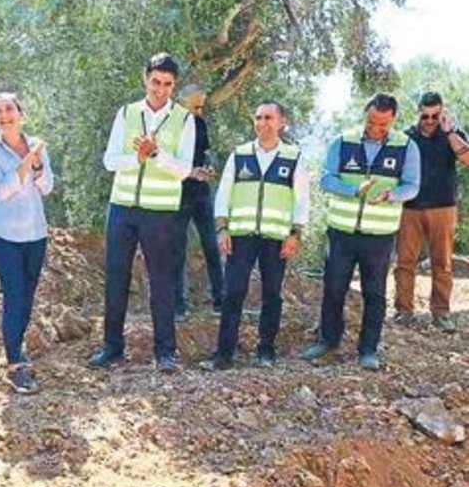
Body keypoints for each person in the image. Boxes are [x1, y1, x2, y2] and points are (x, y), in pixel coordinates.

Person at [88, 52, 196, 373]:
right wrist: (137, 158)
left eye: (167, 84)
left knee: (161, 280)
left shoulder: (184, 119)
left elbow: (184, 169)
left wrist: (157, 154)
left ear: (174, 86)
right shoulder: (126, 113)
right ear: (145, 79)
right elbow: (110, 161)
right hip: (122, 208)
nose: (160, 89)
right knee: (116, 277)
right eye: (155, 82)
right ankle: (112, 348)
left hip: (160, 212)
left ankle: (165, 352)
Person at [300, 93, 420, 370]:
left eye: (383, 124)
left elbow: (412, 186)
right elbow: (326, 179)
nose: (375, 129)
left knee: (374, 293)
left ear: (393, 119)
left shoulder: (406, 147)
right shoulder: (343, 141)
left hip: (379, 235)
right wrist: (353, 190)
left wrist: (391, 195)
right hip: (341, 231)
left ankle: (368, 350)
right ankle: (328, 340)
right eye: (371, 122)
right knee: (333, 288)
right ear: (364, 114)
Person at [200, 102, 309, 370]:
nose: (262, 123)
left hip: (275, 237)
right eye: (258, 117)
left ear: (281, 122)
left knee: (272, 294)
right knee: (233, 292)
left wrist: (294, 234)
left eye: (268, 118)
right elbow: (223, 194)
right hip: (241, 236)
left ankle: (266, 350)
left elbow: (302, 199)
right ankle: (224, 354)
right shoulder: (240, 155)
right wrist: (222, 228)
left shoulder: (293, 157)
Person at [0, 92, 54, 394]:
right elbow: (2, 191)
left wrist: (37, 167)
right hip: (4, 236)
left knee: (27, 297)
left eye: (9, 109)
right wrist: (26, 163)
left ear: (20, 113)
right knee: (14, 296)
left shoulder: (37, 145)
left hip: (36, 234)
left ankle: (16, 349)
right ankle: (14, 365)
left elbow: (47, 187)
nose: (4, 115)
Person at [392, 91, 469, 333]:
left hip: (443, 208)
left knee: (442, 263)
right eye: (425, 116)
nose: (429, 121)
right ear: (418, 113)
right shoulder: (407, 137)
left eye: (434, 116)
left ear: (441, 112)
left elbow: (468, 159)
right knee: (405, 262)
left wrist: (449, 133)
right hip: (410, 208)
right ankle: (403, 311)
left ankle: (441, 314)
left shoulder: (452, 134)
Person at [172, 86, 224, 321]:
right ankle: (177, 305)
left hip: (201, 194)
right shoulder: (170, 126)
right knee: (177, 250)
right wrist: (188, 172)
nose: (199, 111)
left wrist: (208, 167)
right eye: (195, 107)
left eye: (201, 106)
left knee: (212, 247)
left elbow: (205, 153)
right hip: (178, 195)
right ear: (181, 104)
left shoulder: (200, 123)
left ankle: (220, 301)